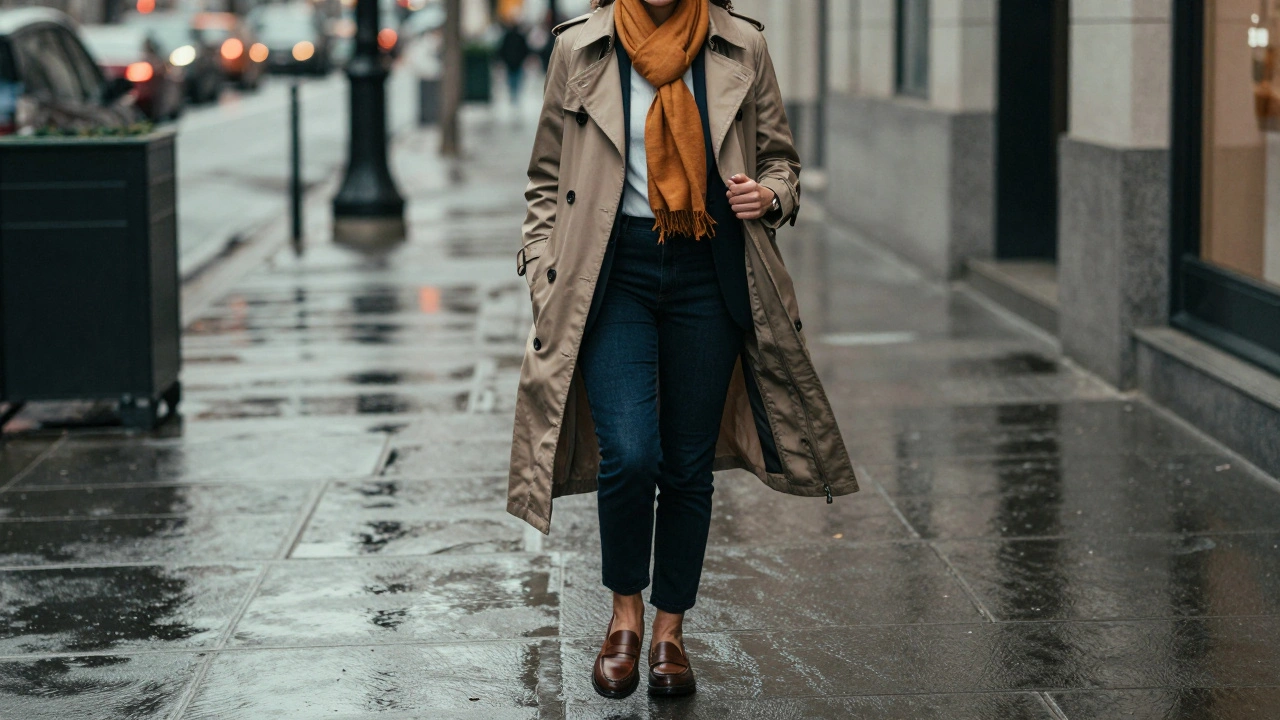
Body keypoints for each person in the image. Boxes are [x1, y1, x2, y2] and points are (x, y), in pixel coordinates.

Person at [508, 0, 859, 700]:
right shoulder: (581, 49)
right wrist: (545, 269)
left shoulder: (741, 46)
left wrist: (770, 194)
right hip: (614, 275)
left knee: (688, 464)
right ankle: (625, 614)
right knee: (631, 453)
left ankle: (669, 631)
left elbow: (783, 163)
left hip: (710, 270)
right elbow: (546, 177)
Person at [498, 19, 530, 102]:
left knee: (512, 80)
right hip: (517, 62)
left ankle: (513, 95)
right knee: (516, 79)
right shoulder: (519, 37)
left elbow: (502, 50)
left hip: (511, 62)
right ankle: (515, 95)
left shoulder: (507, 37)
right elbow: (525, 50)